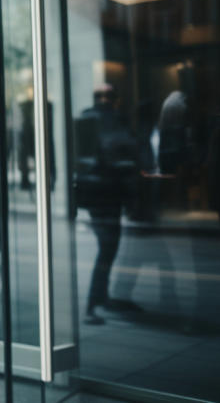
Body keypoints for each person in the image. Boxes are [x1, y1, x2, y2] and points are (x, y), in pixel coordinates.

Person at [73, 84, 139, 325]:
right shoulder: (116, 121)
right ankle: (93, 303)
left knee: (107, 248)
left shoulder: (84, 120)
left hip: (91, 193)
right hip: (109, 193)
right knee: (107, 249)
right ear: (115, 100)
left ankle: (101, 298)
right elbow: (125, 159)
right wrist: (133, 197)